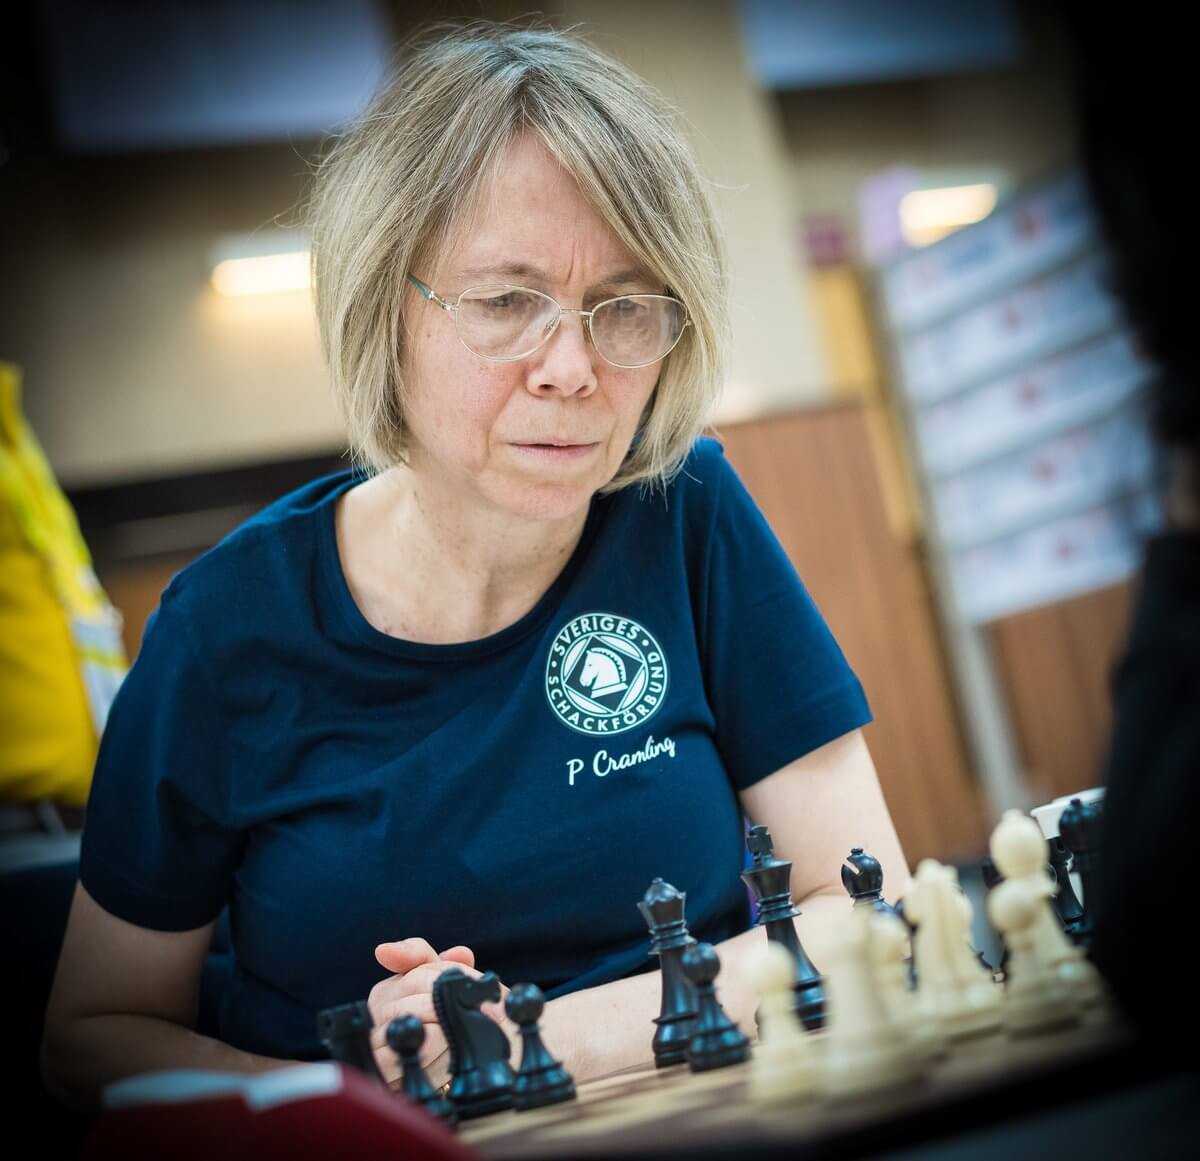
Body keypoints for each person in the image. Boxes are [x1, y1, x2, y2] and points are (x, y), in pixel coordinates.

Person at [41, 21, 908, 1110]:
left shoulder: (684, 512)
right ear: (384, 310)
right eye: (506, 302)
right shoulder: (223, 627)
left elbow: (867, 904)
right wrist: (365, 1094)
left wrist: (524, 1042)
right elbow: (91, 1037)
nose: (571, 367)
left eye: (625, 306)